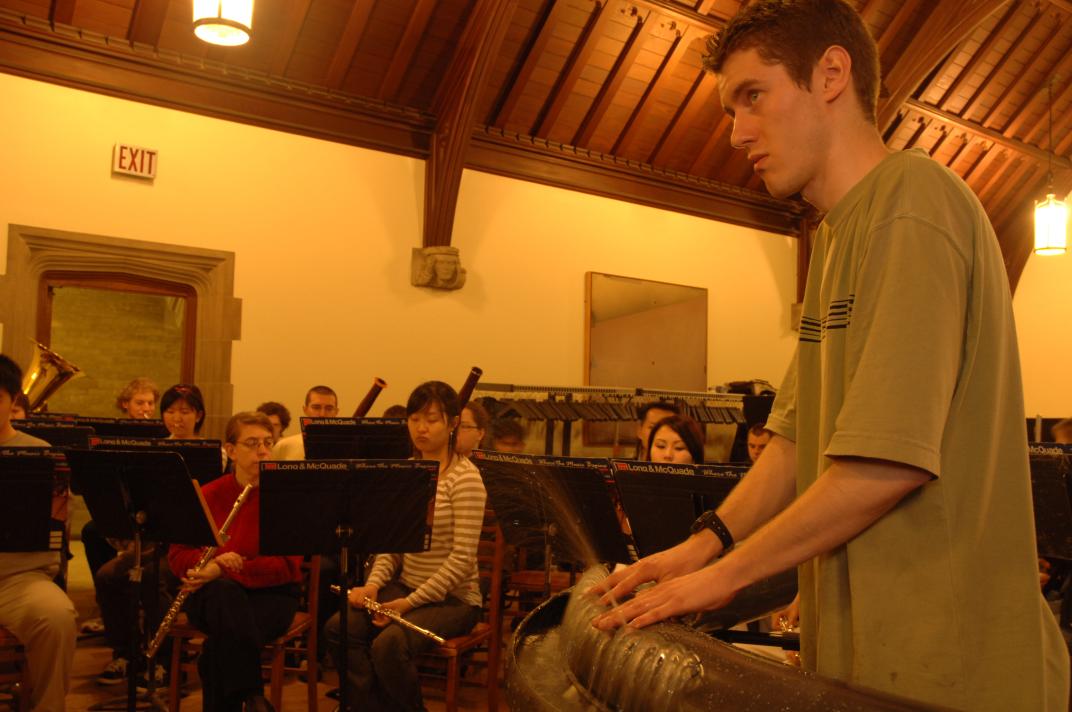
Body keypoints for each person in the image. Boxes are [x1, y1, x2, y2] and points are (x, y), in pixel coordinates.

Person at [591, 2, 1069, 710]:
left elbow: (885, 464)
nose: (736, 132)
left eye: (753, 96)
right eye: (730, 109)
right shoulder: (837, 239)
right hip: (867, 654)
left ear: (831, 75)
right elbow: (792, 444)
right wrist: (702, 545)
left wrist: (722, 580)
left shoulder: (914, 201)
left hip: (949, 661)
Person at [324, 381, 486, 711]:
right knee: (339, 628)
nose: (421, 428)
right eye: (414, 419)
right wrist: (373, 584)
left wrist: (408, 604)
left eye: (431, 419)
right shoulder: (408, 471)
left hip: (455, 599)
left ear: (452, 423)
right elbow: (392, 543)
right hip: (405, 587)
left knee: (389, 645)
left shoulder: (466, 478)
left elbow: (462, 559)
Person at [168, 411, 302, 712]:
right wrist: (209, 564)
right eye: (252, 443)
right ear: (230, 450)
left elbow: (287, 566)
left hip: (272, 597)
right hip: (210, 597)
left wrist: (222, 568)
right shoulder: (208, 494)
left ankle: (244, 697)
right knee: (223, 594)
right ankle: (252, 696)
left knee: (218, 648)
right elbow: (177, 556)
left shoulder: (284, 498)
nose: (263, 451)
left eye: (268, 443)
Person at [0, 354, 78, 711]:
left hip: (18, 579)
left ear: (14, 400)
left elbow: (57, 524)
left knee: (57, 616)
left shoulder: (39, 453)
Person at [270, 386, 339, 461]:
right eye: (316, 408)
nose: (322, 414)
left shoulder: (347, 447)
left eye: (329, 409)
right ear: (305, 410)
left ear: (336, 412)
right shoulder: (284, 446)